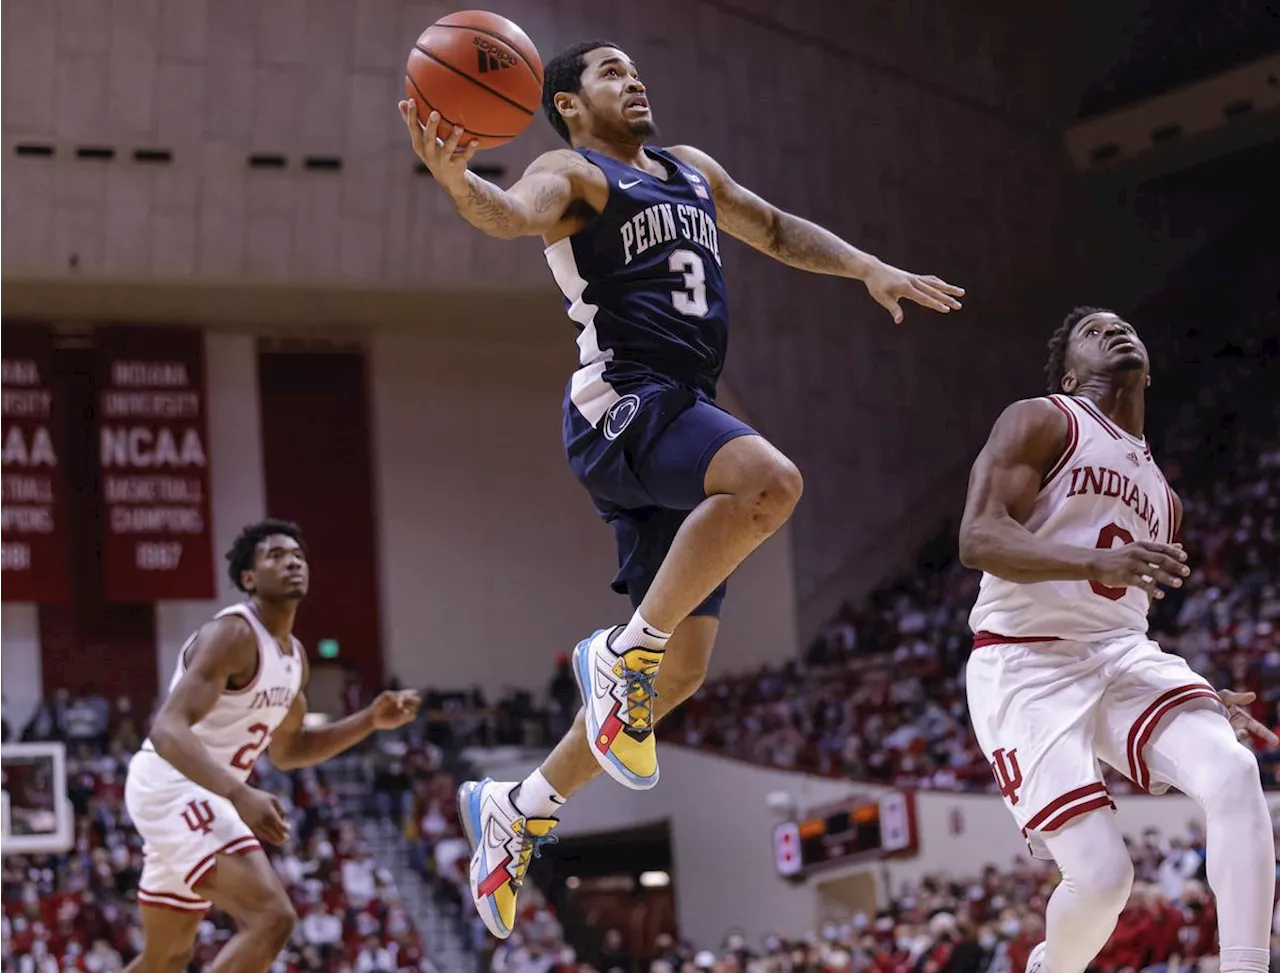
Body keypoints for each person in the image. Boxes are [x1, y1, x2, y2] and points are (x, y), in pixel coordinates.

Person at [399, 39, 964, 938]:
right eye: (611, 72)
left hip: (683, 412)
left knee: (685, 672)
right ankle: (624, 648)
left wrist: (866, 267)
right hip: (622, 398)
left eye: (635, 67)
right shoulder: (571, 171)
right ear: (570, 105)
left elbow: (775, 228)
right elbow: (511, 215)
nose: (635, 79)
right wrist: (460, 183)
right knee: (771, 483)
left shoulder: (691, 170)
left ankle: (520, 805)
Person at [958, 307, 1277, 973]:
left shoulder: (1165, 495)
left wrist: (1191, 695)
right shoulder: (1044, 418)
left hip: (1121, 653)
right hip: (1026, 660)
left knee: (1232, 769)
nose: (1114, 328)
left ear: (1150, 370)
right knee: (1104, 879)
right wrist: (1091, 562)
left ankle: (1246, 966)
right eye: (1093, 329)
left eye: (1123, 324)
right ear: (1073, 372)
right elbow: (978, 537)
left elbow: (1122, 610)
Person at [122, 520, 420, 973]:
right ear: (249, 578)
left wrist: (369, 721)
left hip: (199, 793)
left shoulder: (294, 658)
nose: (292, 562)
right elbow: (167, 730)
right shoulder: (233, 636)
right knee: (273, 919)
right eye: (276, 556)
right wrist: (239, 794)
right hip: (173, 785)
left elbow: (290, 750)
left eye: (298, 555)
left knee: (165, 958)